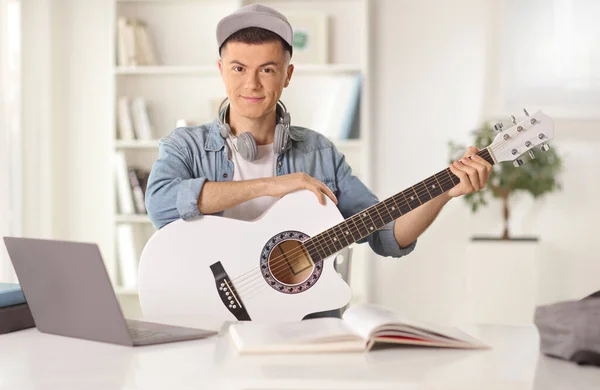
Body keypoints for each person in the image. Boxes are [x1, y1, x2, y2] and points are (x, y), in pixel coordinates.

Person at [145, 4, 492, 261]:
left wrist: (445, 191)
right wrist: (271, 185)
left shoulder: (318, 152)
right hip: (209, 311)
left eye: (267, 69)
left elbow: (386, 235)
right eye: (239, 68)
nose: (251, 83)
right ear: (222, 70)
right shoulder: (186, 145)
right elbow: (161, 206)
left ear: (288, 75)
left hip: (299, 320)